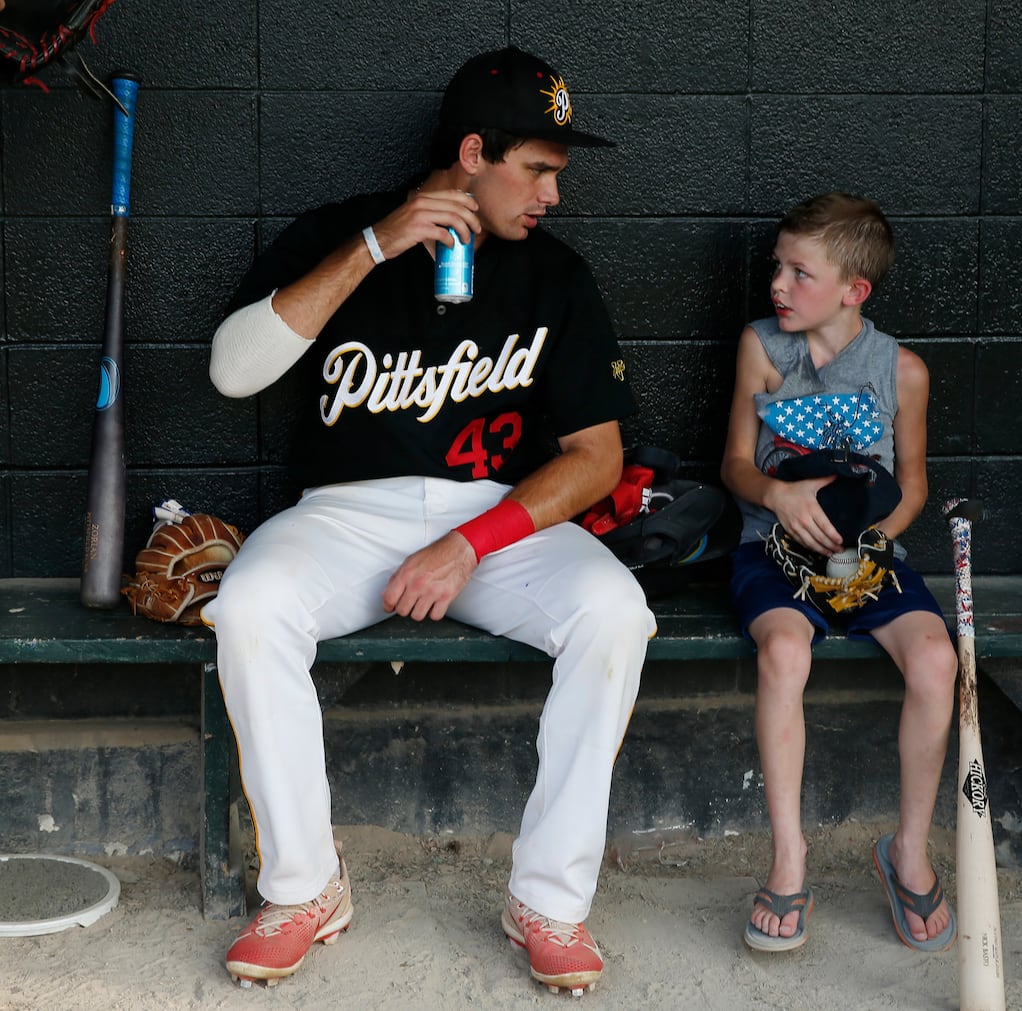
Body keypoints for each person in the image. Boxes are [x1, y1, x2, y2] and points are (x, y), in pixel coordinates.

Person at [203, 46, 654, 996]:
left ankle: (547, 900)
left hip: (495, 522)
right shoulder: (340, 236)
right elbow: (232, 371)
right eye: (537, 170)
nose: (551, 196)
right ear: (474, 150)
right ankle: (304, 886)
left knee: (615, 613)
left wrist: (469, 544)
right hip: (343, 516)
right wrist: (376, 245)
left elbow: (597, 459)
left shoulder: (555, 275)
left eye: (555, 176)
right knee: (248, 606)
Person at [720, 192, 959, 953]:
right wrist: (779, 494)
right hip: (774, 552)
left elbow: (912, 484)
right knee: (785, 651)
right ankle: (789, 858)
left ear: (854, 290)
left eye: (800, 272)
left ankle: (908, 849)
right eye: (776, 268)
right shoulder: (762, 346)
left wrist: (870, 541)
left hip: (867, 556)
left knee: (935, 658)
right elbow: (732, 464)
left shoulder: (902, 370)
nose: (778, 286)